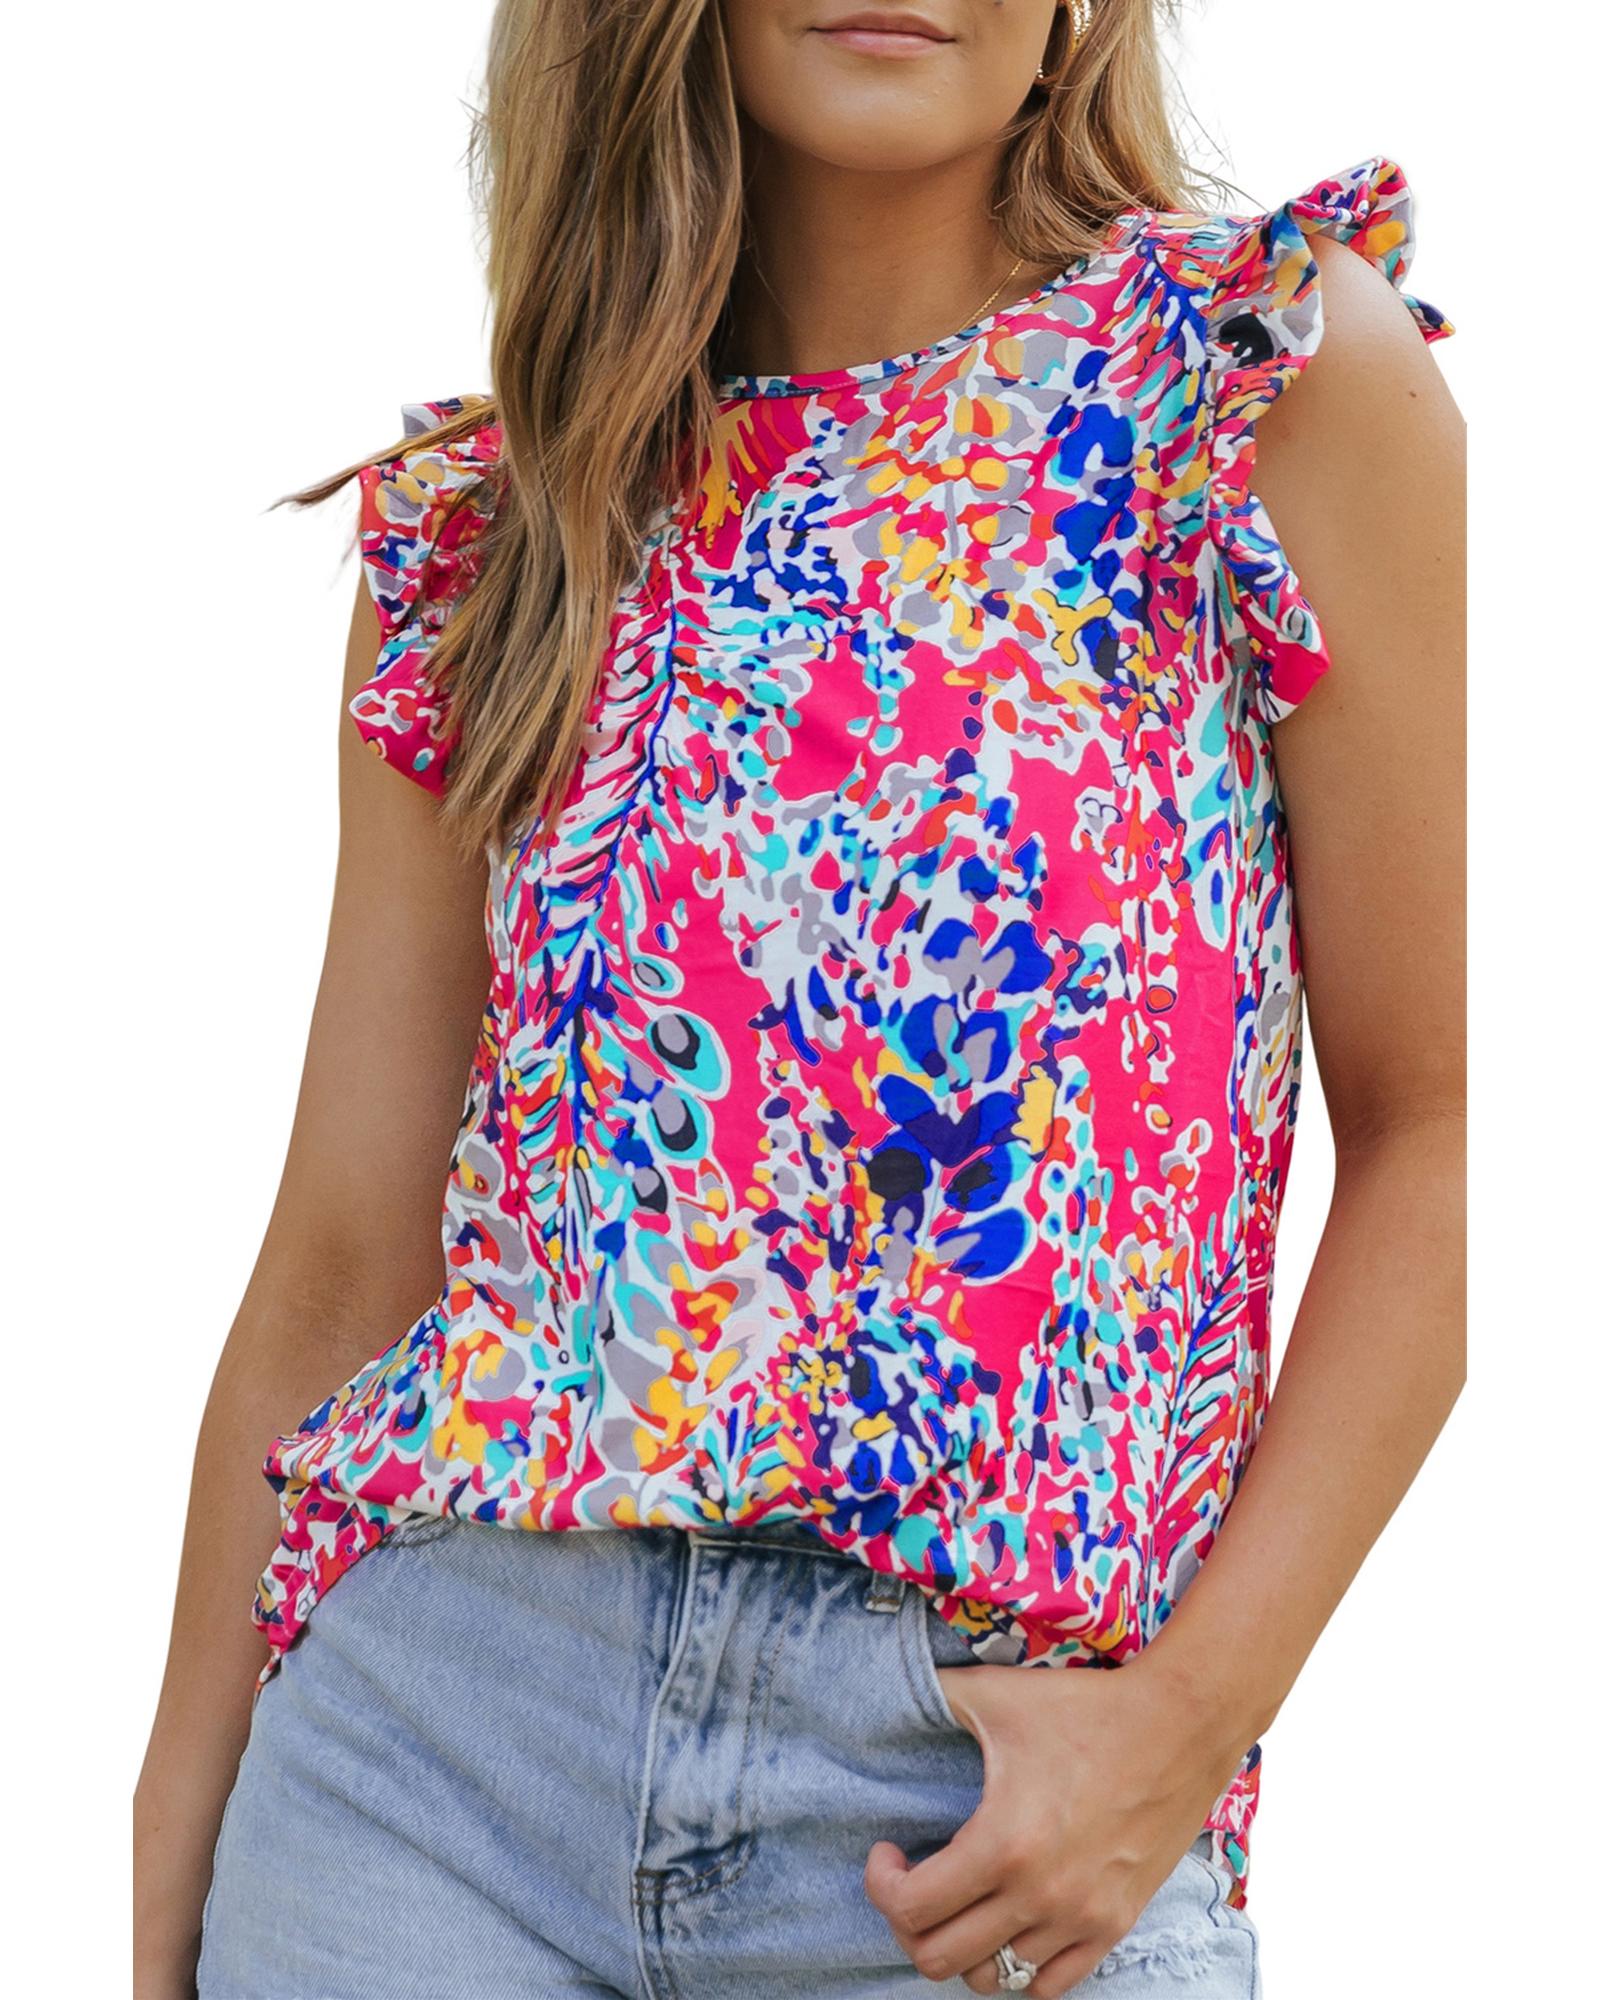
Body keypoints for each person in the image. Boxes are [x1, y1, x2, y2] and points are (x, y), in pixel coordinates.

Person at [132, 3, 1466, 1996]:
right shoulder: (499, 528)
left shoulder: (1249, 385)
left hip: (985, 1820)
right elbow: (342, 1261)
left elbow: (1451, 1131)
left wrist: (1181, 1730)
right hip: (429, 1791)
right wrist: (172, 1843)